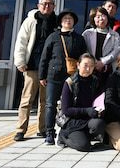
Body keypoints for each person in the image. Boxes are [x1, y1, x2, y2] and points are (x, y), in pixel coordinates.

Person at [38, 9, 87, 145]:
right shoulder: (53, 37)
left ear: (74, 22)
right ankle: (49, 133)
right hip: (54, 76)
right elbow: (44, 57)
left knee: (71, 105)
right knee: (50, 105)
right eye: (65, 18)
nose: (68, 20)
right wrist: (42, 75)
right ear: (60, 22)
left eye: (70, 19)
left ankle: (67, 131)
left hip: (73, 78)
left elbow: (84, 57)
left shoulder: (79, 38)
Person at [13, 0, 58, 141]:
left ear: (54, 6)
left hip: (49, 67)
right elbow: (21, 41)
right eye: (44, 3)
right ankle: (21, 130)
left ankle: (42, 129)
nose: (47, 6)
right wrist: (20, 61)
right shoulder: (31, 21)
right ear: (38, 5)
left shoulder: (57, 22)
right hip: (31, 66)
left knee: (45, 101)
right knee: (27, 99)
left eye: (50, 4)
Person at [58, 53, 106, 151]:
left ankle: (84, 136)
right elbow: (66, 110)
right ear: (78, 65)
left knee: (99, 124)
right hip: (72, 121)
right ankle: (62, 136)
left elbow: (99, 101)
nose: (88, 69)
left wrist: (99, 110)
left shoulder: (95, 81)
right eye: (85, 66)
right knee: (84, 146)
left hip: (88, 119)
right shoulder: (70, 83)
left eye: (91, 66)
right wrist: (87, 111)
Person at [82, 7, 120, 82]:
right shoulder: (87, 33)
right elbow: (83, 49)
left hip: (108, 71)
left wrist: (103, 62)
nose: (101, 19)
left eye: (103, 16)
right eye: (98, 16)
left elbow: (116, 50)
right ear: (93, 19)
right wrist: (94, 62)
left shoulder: (115, 35)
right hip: (89, 69)